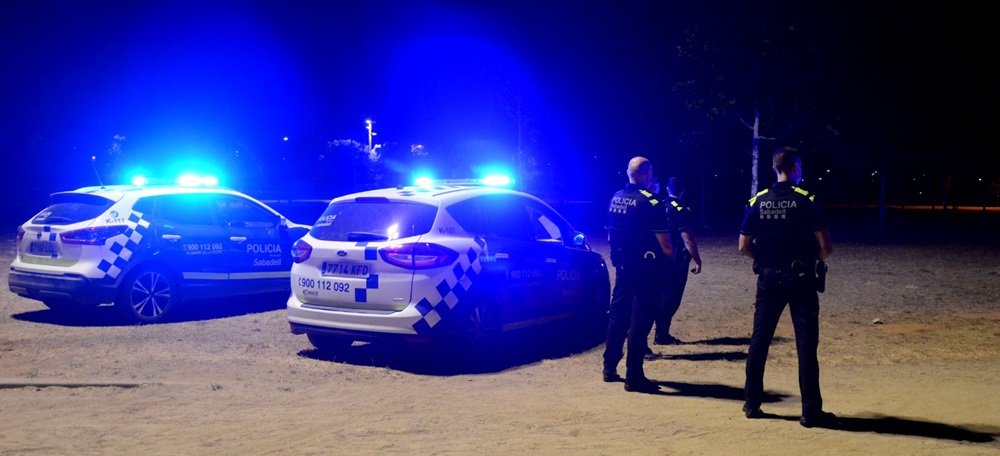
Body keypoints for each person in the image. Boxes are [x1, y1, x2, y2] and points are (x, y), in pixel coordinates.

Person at [738, 146, 837, 428]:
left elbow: (743, 246)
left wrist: (765, 260)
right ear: (794, 168)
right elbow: (826, 248)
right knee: (806, 346)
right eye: (801, 168)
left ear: (774, 168)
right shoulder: (807, 200)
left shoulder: (758, 200)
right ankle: (810, 412)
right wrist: (808, 259)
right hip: (801, 278)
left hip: (768, 278)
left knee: (759, 341)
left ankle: (752, 404)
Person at [602, 156, 673, 393]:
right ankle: (634, 375)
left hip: (622, 268)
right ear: (647, 175)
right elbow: (666, 247)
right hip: (645, 271)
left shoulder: (615, 198)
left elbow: (611, 237)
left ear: (627, 173)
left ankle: (609, 368)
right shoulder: (651, 203)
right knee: (639, 322)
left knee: (617, 316)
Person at [651, 176, 703, 346]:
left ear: (667, 189)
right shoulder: (681, 209)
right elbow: (687, 239)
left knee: (659, 295)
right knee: (672, 298)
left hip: (658, 258)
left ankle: (660, 332)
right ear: (683, 191)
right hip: (676, 261)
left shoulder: (658, 206)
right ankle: (662, 333)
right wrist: (697, 260)